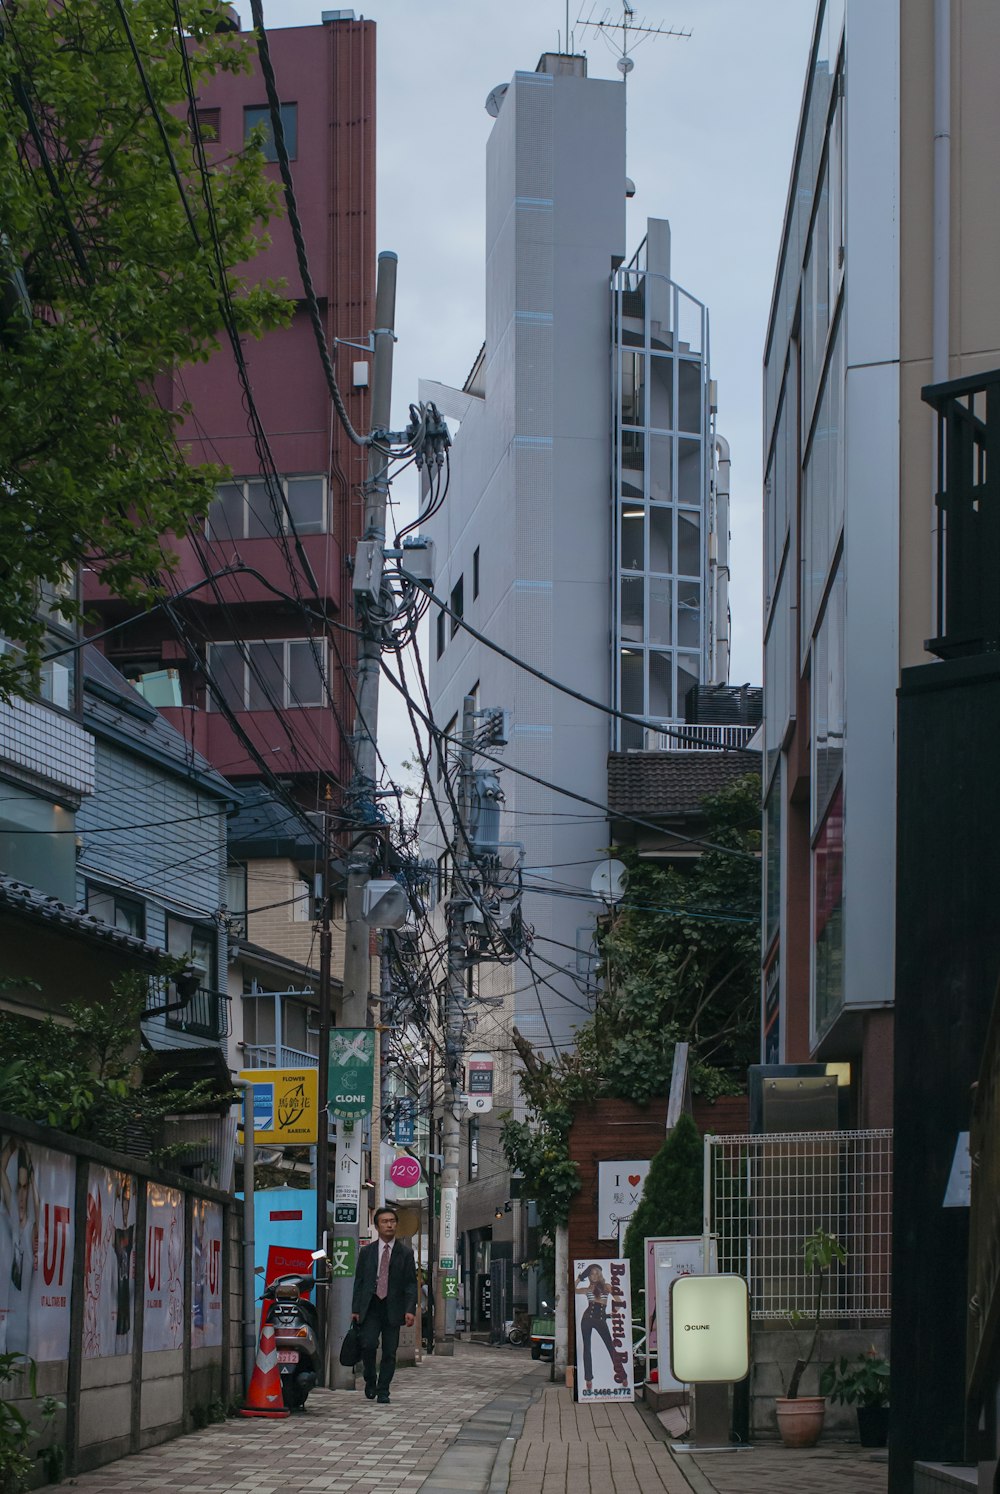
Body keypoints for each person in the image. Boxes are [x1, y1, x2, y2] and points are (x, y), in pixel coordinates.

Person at [351, 1205, 417, 1404]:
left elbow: (410, 1283)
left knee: (390, 1351)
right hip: (371, 1306)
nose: (389, 1225)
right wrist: (355, 1309)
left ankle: (383, 1390)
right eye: (385, 1221)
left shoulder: (405, 1253)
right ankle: (370, 1379)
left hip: (393, 1306)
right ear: (377, 1226)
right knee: (369, 1345)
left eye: (392, 1221)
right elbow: (359, 1281)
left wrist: (409, 1309)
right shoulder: (367, 1252)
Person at [575, 1263, 628, 1393]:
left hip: (600, 1318)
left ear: (599, 1275)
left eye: (596, 1273)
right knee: (587, 1347)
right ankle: (588, 1379)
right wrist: (580, 1277)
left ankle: (623, 1375)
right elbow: (572, 1289)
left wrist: (611, 1313)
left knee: (610, 1346)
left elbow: (619, 1301)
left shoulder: (606, 1287)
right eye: (591, 1273)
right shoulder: (587, 1289)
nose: (594, 1276)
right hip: (586, 1318)